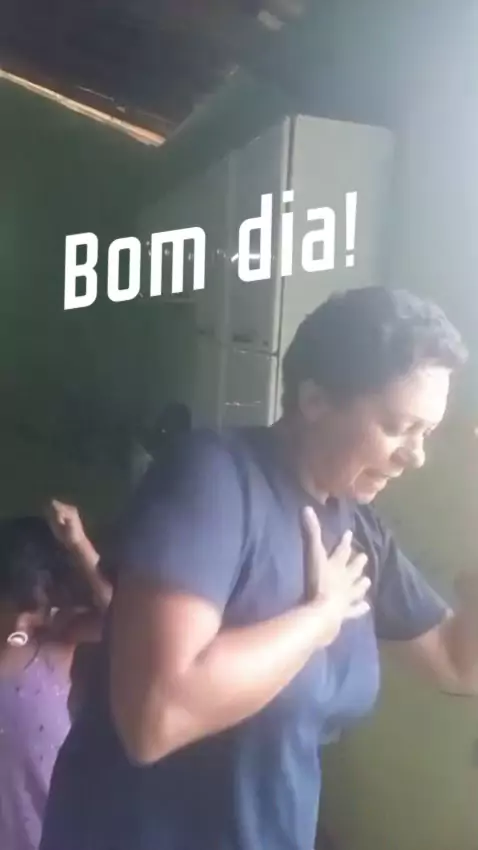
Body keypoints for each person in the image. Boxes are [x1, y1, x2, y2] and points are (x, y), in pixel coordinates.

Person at [40, 286, 478, 850]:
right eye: (397, 426)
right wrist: (317, 620)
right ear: (314, 399)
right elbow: (155, 717)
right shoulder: (215, 478)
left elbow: (459, 663)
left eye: (426, 434)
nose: (415, 456)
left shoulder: (357, 526)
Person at [0, 503, 107, 850]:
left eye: (32, 616)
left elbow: (125, 618)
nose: (20, 626)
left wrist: (79, 545)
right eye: (12, 608)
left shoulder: (57, 638)